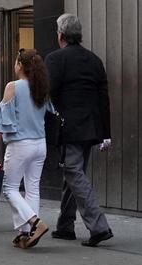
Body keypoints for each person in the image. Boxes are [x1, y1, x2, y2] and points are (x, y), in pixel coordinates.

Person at [45, 13, 114, 247]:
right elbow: (104, 98)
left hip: (70, 126)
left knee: (73, 172)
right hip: (92, 127)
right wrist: (106, 133)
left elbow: (49, 92)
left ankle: (98, 225)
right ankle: (65, 225)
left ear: (60, 35)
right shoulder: (94, 60)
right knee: (73, 175)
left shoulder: (55, 59)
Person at [0, 48, 55, 249]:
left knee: (10, 188)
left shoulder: (13, 87)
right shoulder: (41, 87)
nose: (14, 65)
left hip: (20, 144)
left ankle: (35, 223)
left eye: (16, 62)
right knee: (32, 187)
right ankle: (26, 233)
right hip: (40, 144)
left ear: (20, 66)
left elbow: (2, 120)